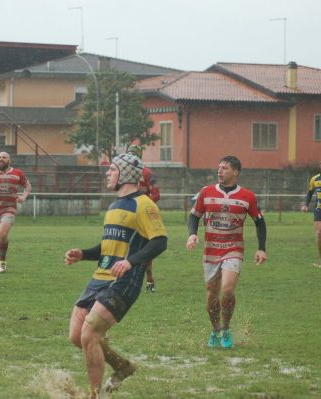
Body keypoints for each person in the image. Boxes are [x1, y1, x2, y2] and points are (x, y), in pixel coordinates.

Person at [65, 153, 168, 398]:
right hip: (100, 277)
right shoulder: (113, 206)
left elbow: (160, 241)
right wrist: (84, 254)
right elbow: (108, 246)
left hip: (124, 281)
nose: (107, 173)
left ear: (126, 174)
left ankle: (94, 395)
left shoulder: (144, 204)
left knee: (89, 334)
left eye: (112, 169)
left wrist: (131, 262)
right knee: (76, 336)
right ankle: (122, 366)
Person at [186, 155, 267, 349]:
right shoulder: (206, 192)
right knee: (212, 294)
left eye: (224, 168)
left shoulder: (247, 196)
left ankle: (227, 328)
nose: (219, 171)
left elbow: (260, 222)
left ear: (236, 172)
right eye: (219, 167)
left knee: (228, 289)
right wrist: (192, 235)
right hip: (211, 251)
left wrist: (261, 248)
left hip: (234, 249)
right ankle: (215, 330)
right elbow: (194, 216)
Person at [0, 152, 32, 273]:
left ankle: (2, 265)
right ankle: (1, 262)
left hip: (9, 209)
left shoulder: (17, 173)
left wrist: (24, 197)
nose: (1, 159)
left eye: (4, 157)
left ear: (10, 160)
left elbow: (28, 186)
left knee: (3, 234)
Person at [127, 143, 161, 292]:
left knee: (146, 247)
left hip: (144, 215)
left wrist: (145, 205)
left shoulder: (147, 173)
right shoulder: (124, 173)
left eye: (135, 154)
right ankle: (127, 279)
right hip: (128, 214)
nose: (132, 157)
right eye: (130, 154)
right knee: (125, 246)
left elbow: (156, 194)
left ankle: (149, 279)